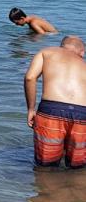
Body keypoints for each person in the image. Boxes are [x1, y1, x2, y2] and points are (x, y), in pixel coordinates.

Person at [23, 36, 86, 168]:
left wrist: (31, 109)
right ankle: (77, 187)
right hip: (83, 115)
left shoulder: (47, 52)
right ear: (82, 52)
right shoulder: (83, 64)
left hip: (51, 111)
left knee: (46, 166)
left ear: (61, 46)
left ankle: (47, 187)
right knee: (78, 167)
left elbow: (30, 78)